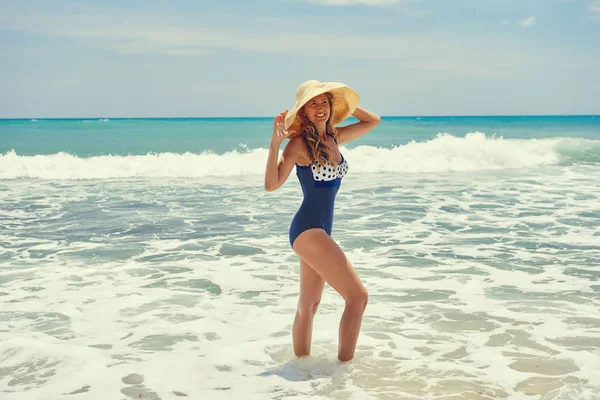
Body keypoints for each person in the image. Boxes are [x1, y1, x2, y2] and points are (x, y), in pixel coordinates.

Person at [264, 80, 380, 362]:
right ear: (302, 111)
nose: (320, 107)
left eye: (324, 102)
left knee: (309, 304)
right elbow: (271, 184)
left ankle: (300, 370)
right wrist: (275, 142)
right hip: (307, 230)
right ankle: (344, 372)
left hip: (320, 230)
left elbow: (372, 120)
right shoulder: (298, 144)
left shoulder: (334, 137)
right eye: (312, 103)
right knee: (358, 298)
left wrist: (342, 104)